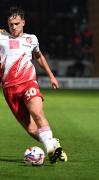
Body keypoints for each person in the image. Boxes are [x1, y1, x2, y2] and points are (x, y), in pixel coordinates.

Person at [0, 7, 67, 164]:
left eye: (16, 23)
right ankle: (53, 143)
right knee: (31, 129)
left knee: (37, 113)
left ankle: (50, 151)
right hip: (9, 89)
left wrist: (51, 76)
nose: (14, 27)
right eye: (11, 24)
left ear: (23, 22)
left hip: (28, 82)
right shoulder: (1, 36)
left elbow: (39, 57)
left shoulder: (32, 39)